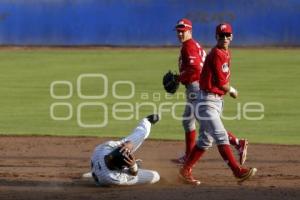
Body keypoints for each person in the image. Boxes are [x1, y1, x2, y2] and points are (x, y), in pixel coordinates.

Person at [178, 23, 257, 185]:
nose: (225, 38)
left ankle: (184, 171)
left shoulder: (225, 52)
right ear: (216, 37)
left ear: (232, 36)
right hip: (206, 101)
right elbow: (222, 84)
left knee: (205, 140)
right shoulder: (217, 54)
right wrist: (232, 90)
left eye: (227, 35)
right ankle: (237, 171)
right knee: (220, 136)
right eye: (221, 36)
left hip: (215, 101)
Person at [89, 114, 160, 186]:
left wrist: (129, 144)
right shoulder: (113, 178)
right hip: (105, 176)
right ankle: (134, 165)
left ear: (112, 154)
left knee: (140, 134)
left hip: (100, 165)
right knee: (155, 176)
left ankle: (147, 121)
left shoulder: (103, 149)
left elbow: (122, 145)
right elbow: (133, 174)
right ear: (121, 168)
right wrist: (133, 166)